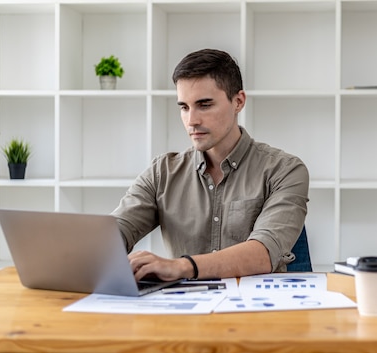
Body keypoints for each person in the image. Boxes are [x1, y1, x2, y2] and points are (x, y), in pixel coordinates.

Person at [111, 48, 309, 282]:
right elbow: (118, 229)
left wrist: (182, 266)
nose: (192, 120)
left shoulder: (285, 171)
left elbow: (264, 252)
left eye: (204, 105)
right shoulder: (162, 173)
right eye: (184, 107)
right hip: (186, 310)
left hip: (257, 311)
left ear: (238, 102)